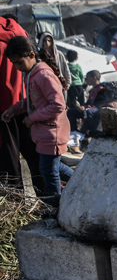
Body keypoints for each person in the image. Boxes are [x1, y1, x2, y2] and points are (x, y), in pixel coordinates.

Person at [1, 37, 71, 207]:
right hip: (43, 134)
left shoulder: (44, 75)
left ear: (31, 55)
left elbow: (58, 105)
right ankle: (82, 179)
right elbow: (31, 101)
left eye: (19, 63)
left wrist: (32, 118)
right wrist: (14, 109)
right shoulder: (31, 74)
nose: (17, 67)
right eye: (14, 64)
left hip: (52, 132)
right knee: (52, 167)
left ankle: (54, 207)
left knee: (49, 170)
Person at [0, 16, 41, 192]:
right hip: (26, 103)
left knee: (8, 163)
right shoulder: (17, 29)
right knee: (36, 158)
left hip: (4, 109)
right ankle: (49, 201)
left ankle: (16, 206)